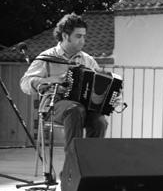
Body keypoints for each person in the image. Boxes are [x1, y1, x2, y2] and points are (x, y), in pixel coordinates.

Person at [20, 13, 108, 153]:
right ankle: (71, 168)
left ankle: (91, 166)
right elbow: (25, 83)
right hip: (53, 106)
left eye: (84, 36)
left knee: (99, 121)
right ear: (66, 36)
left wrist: (108, 96)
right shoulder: (47, 58)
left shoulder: (87, 60)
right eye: (78, 36)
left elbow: (99, 84)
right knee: (75, 110)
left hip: (83, 108)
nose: (83, 41)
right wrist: (47, 81)